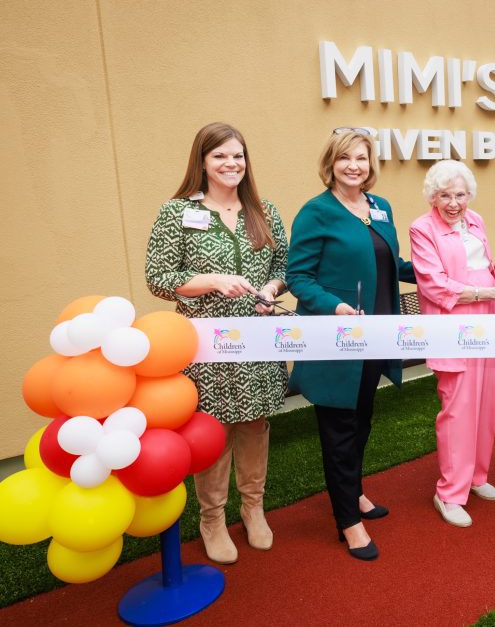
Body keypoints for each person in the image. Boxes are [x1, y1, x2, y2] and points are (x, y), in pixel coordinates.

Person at [145, 122, 288, 564]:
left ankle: (253, 508)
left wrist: (270, 290)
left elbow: (282, 266)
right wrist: (208, 281)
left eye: (238, 156)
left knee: (254, 425)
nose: (231, 164)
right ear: (202, 162)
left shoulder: (264, 211)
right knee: (211, 431)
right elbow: (159, 279)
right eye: (220, 156)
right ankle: (212, 519)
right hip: (205, 348)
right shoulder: (177, 213)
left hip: (257, 343)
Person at [287, 128, 415, 561]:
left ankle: (354, 492)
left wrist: (449, 271)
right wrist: (336, 306)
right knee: (339, 431)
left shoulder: (379, 207)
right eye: (345, 159)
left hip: (375, 338)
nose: (353, 166)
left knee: (361, 423)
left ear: (370, 164)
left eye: (360, 158)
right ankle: (348, 522)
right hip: (338, 341)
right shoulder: (316, 211)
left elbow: (391, 263)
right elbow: (299, 277)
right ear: (331, 163)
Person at [409, 160, 495, 528]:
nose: (454, 202)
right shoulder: (421, 228)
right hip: (452, 328)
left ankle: (476, 476)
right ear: (433, 196)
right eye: (445, 195)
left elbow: (476, 264)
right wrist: (491, 290)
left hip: (487, 322)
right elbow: (435, 284)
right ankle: (449, 492)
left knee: (485, 404)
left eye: (460, 194)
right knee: (457, 411)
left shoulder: (474, 220)